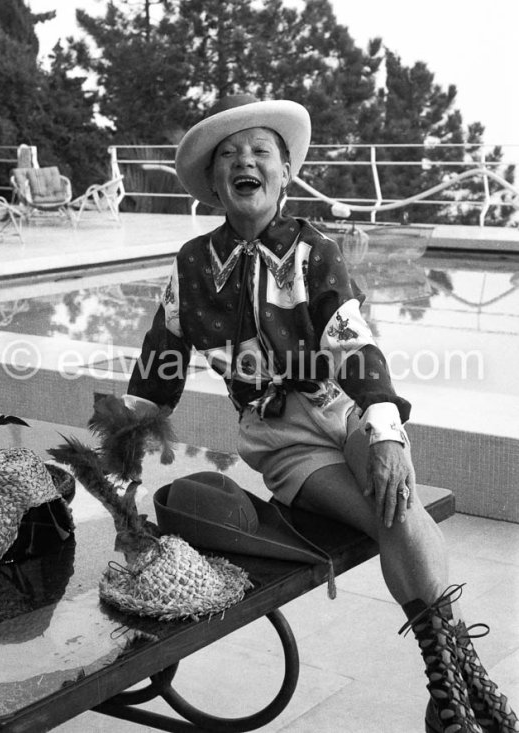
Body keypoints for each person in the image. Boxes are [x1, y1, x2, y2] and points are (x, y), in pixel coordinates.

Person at [124, 94, 518, 733]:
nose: (244, 161)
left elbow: (354, 342)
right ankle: (462, 687)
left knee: (398, 499)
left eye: (260, 152)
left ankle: (450, 688)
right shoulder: (192, 265)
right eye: (229, 155)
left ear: (283, 175)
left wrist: (386, 434)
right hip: (283, 442)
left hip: (344, 410)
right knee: (392, 514)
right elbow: (160, 360)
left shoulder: (316, 251)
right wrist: (123, 438)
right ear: (214, 185)